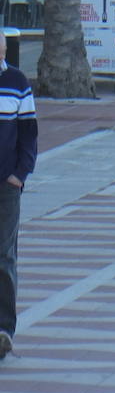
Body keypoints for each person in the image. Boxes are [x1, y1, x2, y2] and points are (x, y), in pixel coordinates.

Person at [0, 43, 37, 360]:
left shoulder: (16, 81)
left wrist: (20, 174)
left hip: (6, 184)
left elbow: (29, 132)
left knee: (3, 254)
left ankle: (3, 330)